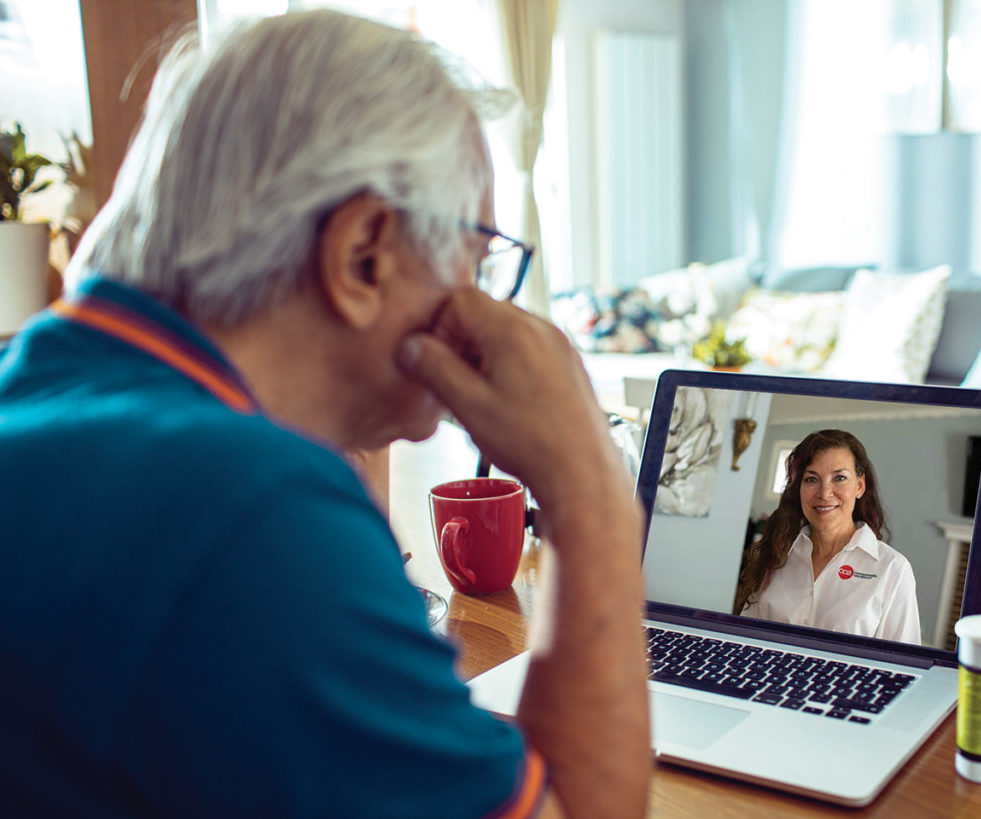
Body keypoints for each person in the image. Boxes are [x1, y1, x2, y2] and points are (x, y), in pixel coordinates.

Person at [0, 11, 650, 818]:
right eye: (476, 258)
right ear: (364, 254)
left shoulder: (35, 385)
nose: (483, 300)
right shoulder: (251, 512)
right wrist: (590, 487)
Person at [736, 429, 921, 644]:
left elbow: (902, 667)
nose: (824, 493)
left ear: (860, 486)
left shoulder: (892, 569)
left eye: (839, 478)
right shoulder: (776, 554)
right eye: (811, 479)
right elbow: (745, 639)